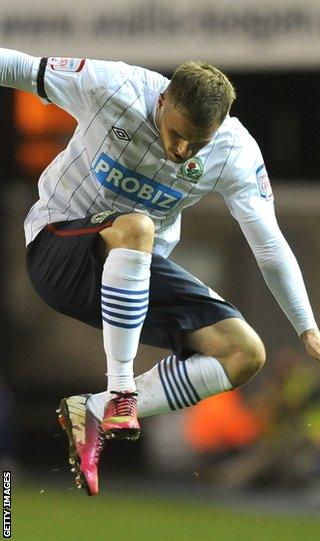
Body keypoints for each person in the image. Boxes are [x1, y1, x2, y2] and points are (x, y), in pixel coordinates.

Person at [1, 48, 319, 496]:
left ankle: (93, 410)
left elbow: (268, 243)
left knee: (244, 352)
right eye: (178, 134)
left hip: (131, 273)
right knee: (138, 226)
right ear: (164, 99)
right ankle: (121, 390)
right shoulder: (112, 87)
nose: (183, 151)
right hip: (56, 249)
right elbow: (16, 67)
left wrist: (307, 327)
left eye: (199, 143)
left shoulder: (235, 150)